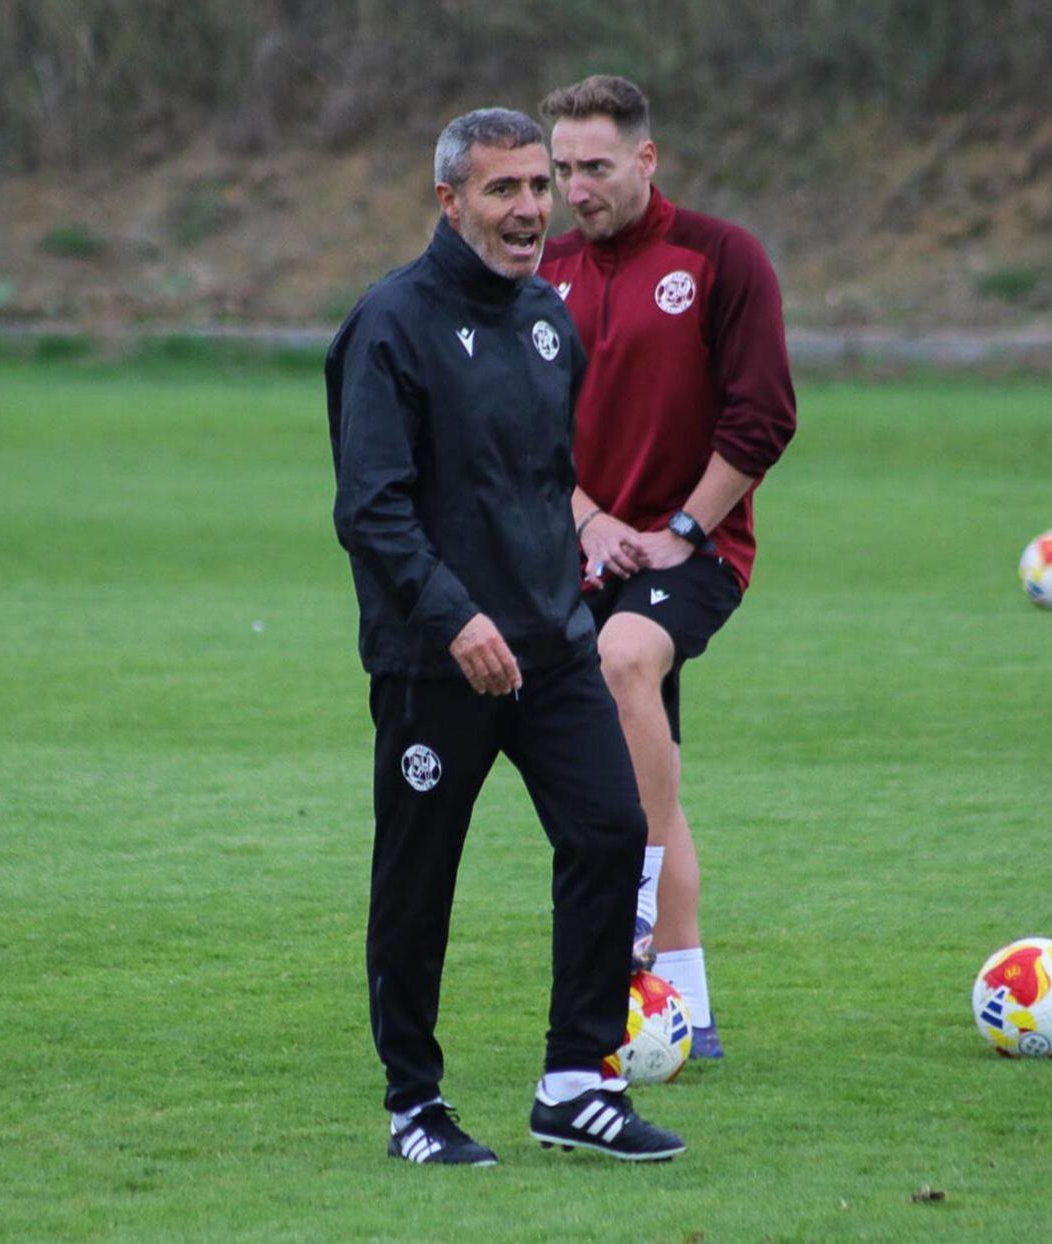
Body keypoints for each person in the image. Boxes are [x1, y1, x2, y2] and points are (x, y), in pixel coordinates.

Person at [325, 107, 685, 1165]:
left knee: (613, 832)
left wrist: (570, 572)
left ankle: (576, 1080)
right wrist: (456, 617)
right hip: (435, 661)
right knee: (418, 876)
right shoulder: (389, 324)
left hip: (551, 642)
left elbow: (541, 483)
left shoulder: (545, 320)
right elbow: (371, 508)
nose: (532, 207)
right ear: (450, 200)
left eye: (539, 185)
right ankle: (413, 1105)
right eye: (504, 189)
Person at [538, 76, 797, 1059]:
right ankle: (686, 1004)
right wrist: (592, 520)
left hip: (699, 544)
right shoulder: (544, 271)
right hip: (583, 546)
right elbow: (524, 432)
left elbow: (764, 413)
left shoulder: (721, 257)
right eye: (562, 170)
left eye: (595, 167)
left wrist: (688, 523)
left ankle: (634, 911)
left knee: (625, 658)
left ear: (646, 159)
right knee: (646, 775)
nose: (575, 189)